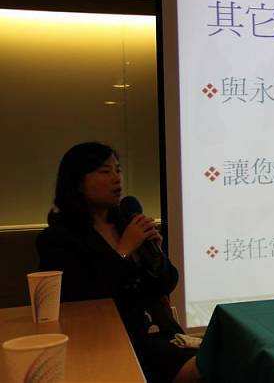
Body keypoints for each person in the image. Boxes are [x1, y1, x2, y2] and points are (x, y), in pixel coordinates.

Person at [36, 142, 195, 383]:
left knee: (224, 358)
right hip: (106, 343)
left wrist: (156, 254)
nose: (116, 178)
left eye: (118, 170)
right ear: (77, 182)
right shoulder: (58, 239)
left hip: (159, 335)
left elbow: (166, 283)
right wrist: (123, 251)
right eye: (104, 171)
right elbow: (84, 298)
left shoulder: (126, 224)